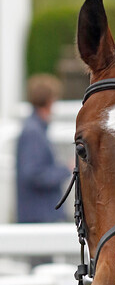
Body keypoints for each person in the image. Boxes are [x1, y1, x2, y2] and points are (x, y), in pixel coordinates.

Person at [16, 74, 71, 223]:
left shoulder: (34, 129)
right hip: (39, 216)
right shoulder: (33, 132)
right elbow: (33, 174)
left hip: (38, 214)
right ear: (49, 100)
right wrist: (66, 169)